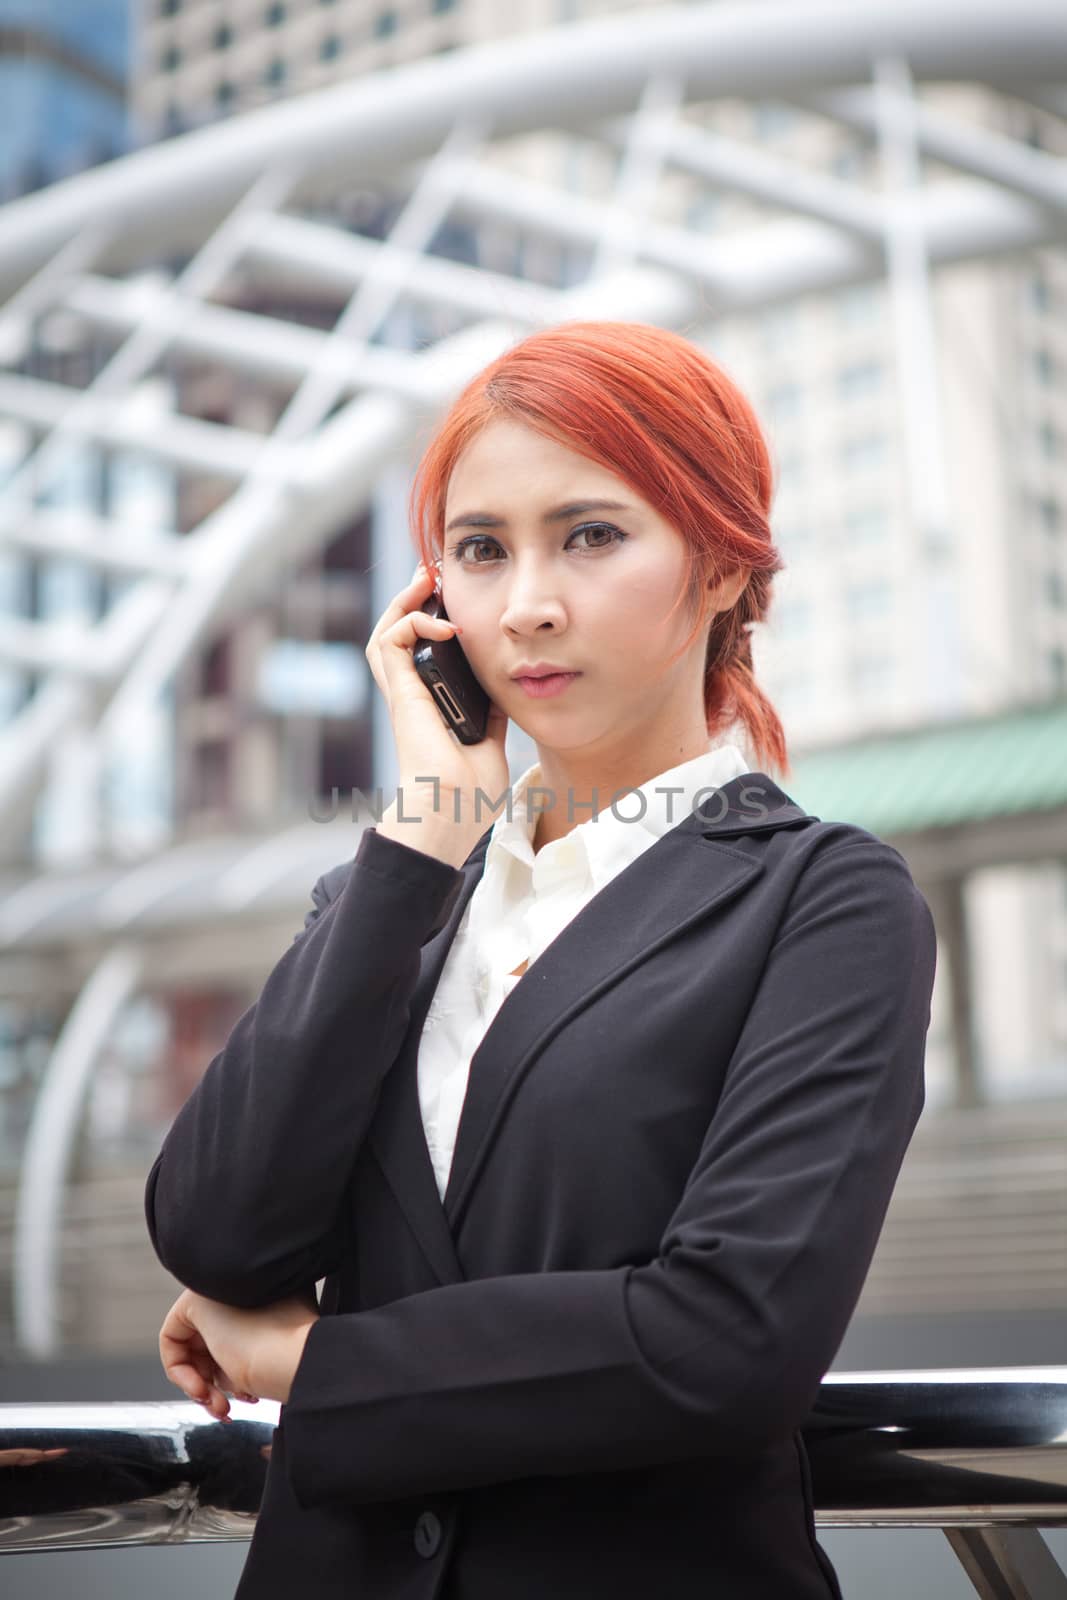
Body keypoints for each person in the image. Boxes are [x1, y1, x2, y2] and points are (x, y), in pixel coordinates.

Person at [147, 320, 938, 1599]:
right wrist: (423, 834)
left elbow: (722, 1344)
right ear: (429, 607)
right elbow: (211, 1230)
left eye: (590, 534)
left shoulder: (822, 899)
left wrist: (307, 1361)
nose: (526, 604)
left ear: (726, 566)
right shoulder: (393, 898)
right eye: (479, 550)